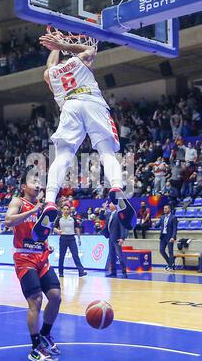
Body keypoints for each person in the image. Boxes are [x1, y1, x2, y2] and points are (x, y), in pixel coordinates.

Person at [32, 31, 137, 242]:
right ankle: (116, 186)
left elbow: (49, 66)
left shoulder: (51, 74)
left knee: (62, 156)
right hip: (91, 102)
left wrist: (55, 47)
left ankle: (51, 200)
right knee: (107, 151)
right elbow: (90, 50)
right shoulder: (77, 60)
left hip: (69, 107)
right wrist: (64, 44)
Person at [5, 171, 61, 361]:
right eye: (33, 182)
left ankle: (45, 335)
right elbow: (8, 221)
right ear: (24, 187)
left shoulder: (44, 208)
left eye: (39, 183)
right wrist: (33, 210)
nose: (37, 185)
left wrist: (46, 245)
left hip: (41, 257)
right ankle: (35, 347)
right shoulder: (18, 202)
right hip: (24, 258)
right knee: (36, 300)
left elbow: (41, 233)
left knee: (55, 296)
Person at [53, 205, 87, 278]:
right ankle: (61, 273)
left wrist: (79, 238)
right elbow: (54, 227)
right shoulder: (59, 219)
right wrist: (57, 231)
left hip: (72, 238)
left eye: (67, 209)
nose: (66, 210)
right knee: (61, 256)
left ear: (69, 210)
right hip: (63, 238)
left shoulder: (73, 219)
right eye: (64, 209)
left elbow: (77, 228)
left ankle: (81, 272)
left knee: (75, 255)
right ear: (62, 210)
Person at [102, 202, 128, 279]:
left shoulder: (119, 214)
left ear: (115, 206)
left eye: (111, 204)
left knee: (120, 256)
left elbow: (123, 227)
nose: (109, 205)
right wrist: (103, 209)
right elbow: (101, 217)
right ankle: (113, 272)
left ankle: (124, 272)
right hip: (110, 238)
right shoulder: (109, 214)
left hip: (117, 238)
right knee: (111, 256)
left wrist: (122, 238)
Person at [156, 205, 178, 272]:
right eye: (164, 208)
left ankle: (171, 266)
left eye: (166, 208)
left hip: (169, 236)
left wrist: (173, 237)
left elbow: (175, 229)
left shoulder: (173, 217)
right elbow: (158, 224)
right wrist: (153, 224)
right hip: (163, 236)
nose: (164, 210)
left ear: (169, 209)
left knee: (170, 251)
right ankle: (170, 263)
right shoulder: (162, 217)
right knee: (161, 250)